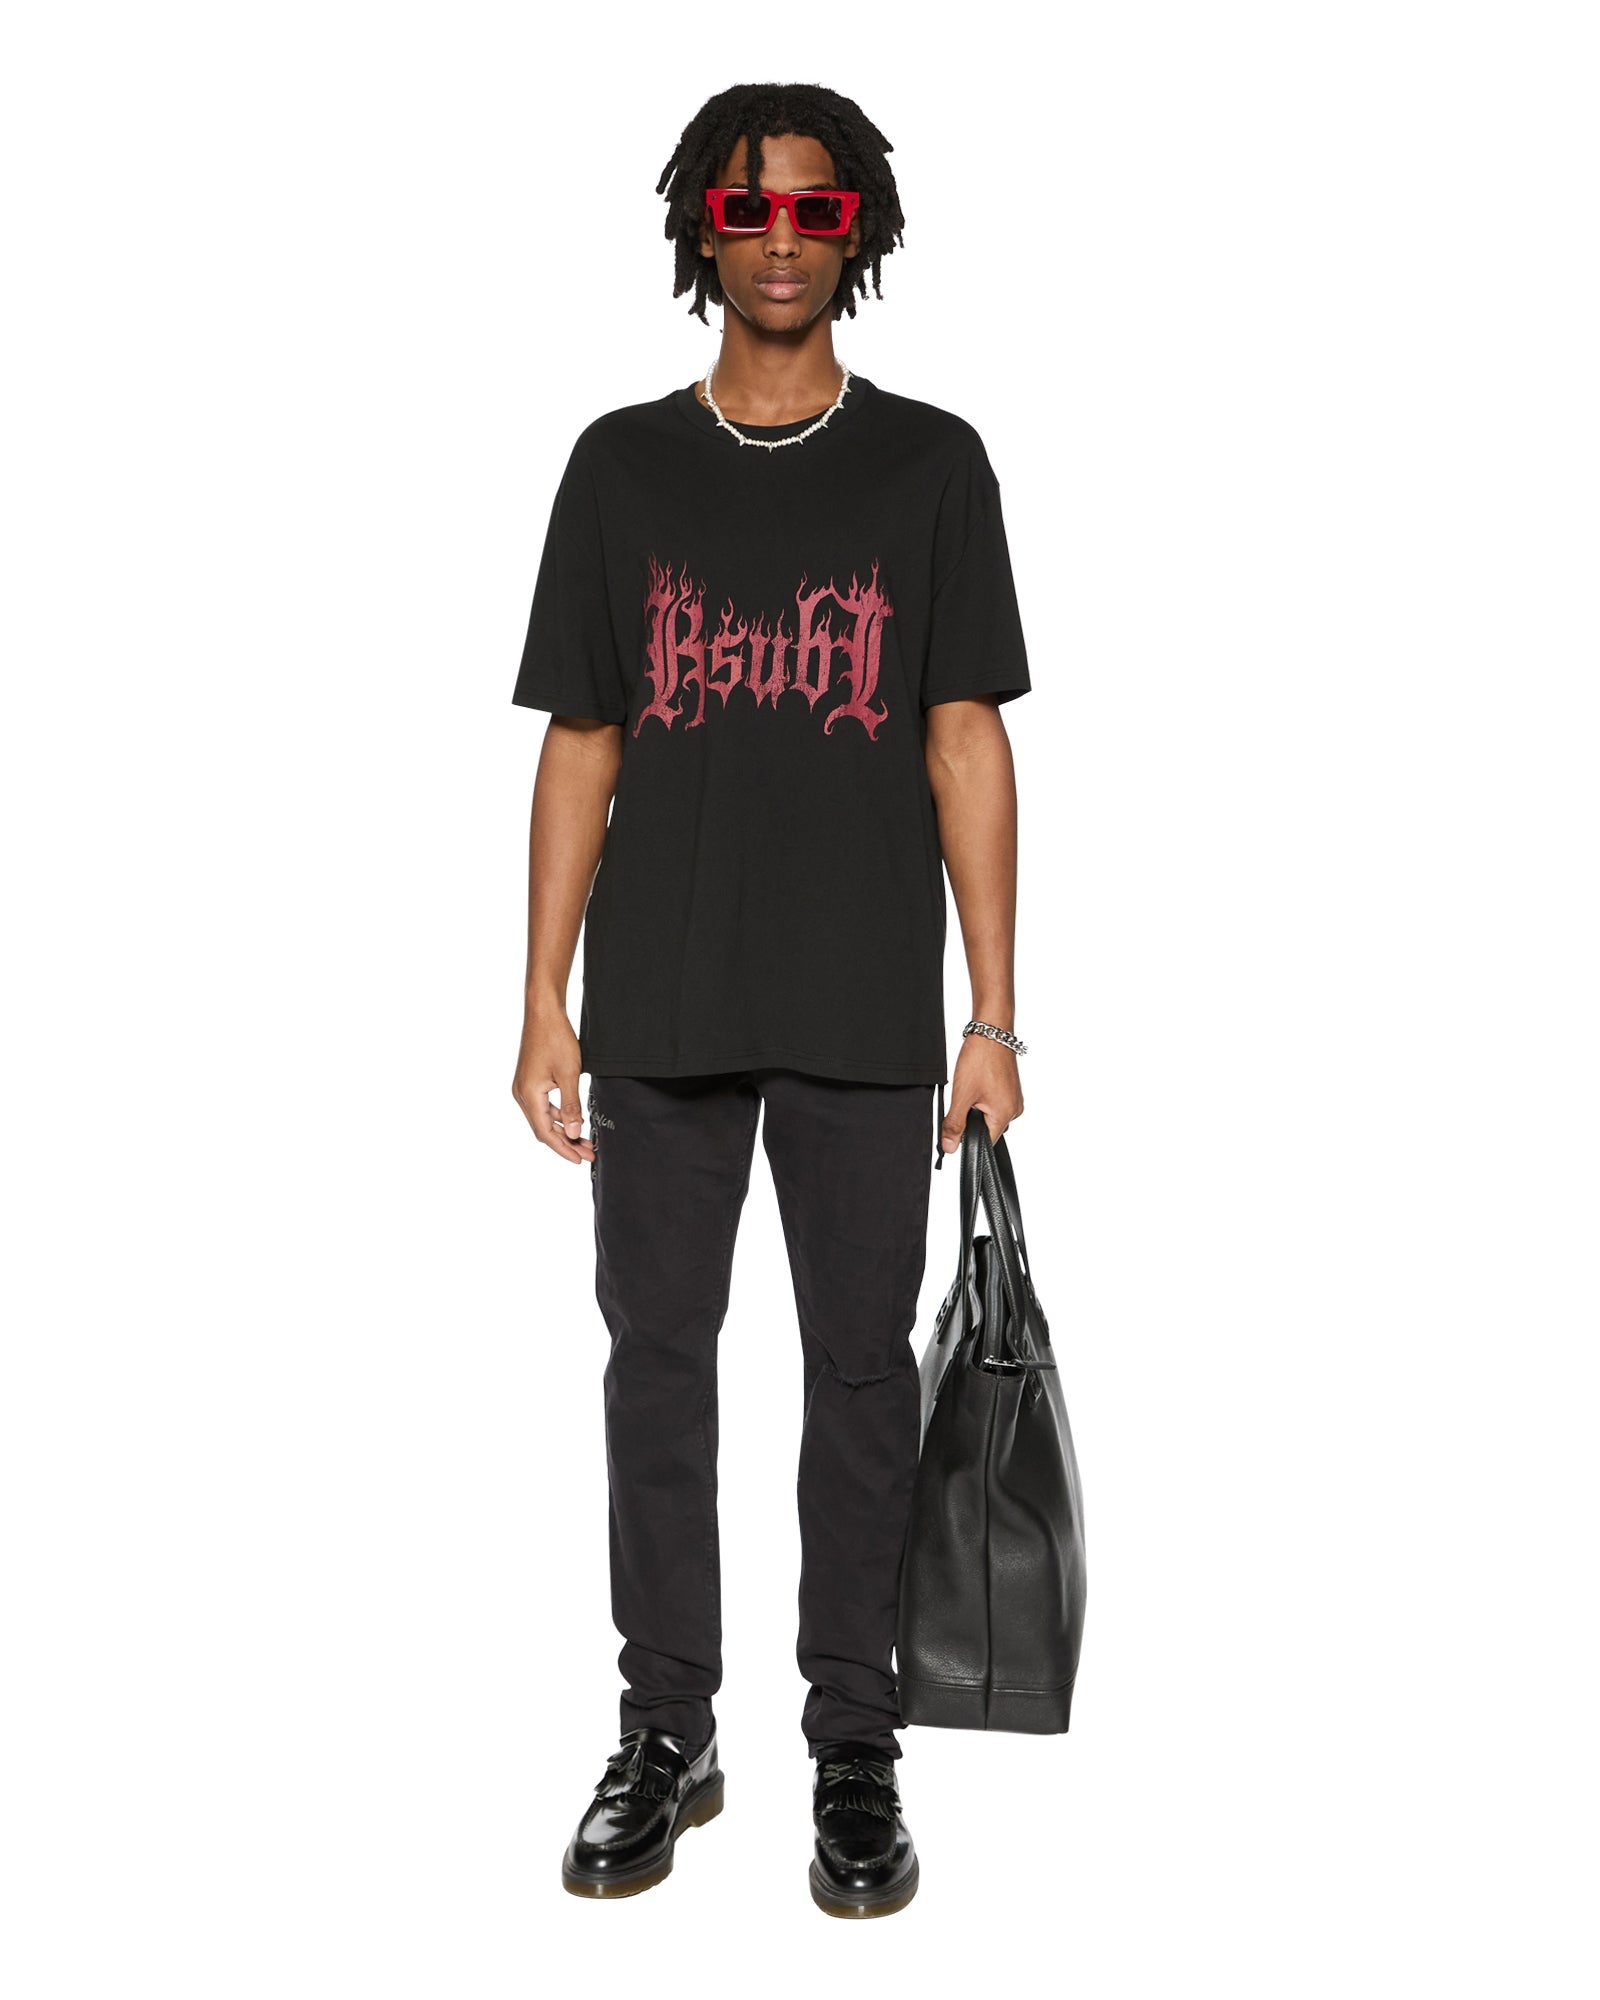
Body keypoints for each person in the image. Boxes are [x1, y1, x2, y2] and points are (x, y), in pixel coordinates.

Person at [510, 82, 1033, 1918]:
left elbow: (962, 739)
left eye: (816, 209)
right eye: (750, 210)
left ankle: (854, 1745)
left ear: (858, 227)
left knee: (858, 1382)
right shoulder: (619, 468)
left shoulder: (932, 467)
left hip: (865, 1008)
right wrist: (543, 998)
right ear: (702, 234)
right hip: (659, 999)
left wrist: (993, 1017)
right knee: (656, 1369)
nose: (783, 238)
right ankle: (667, 1731)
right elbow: (585, 741)